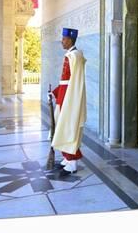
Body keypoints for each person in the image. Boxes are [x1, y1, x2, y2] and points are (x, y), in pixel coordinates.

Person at [49, 27, 87, 174]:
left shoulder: (75, 56)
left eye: (64, 39)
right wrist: (55, 93)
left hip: (70, 98)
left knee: (68, 127)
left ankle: (72, 163)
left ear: (70, 40)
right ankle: (67, 158)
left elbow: (74, 82)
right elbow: (66, 81)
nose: (61, 42)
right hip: (64, 96)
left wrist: (66, 98)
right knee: (61, 126)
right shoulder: (70, 55)